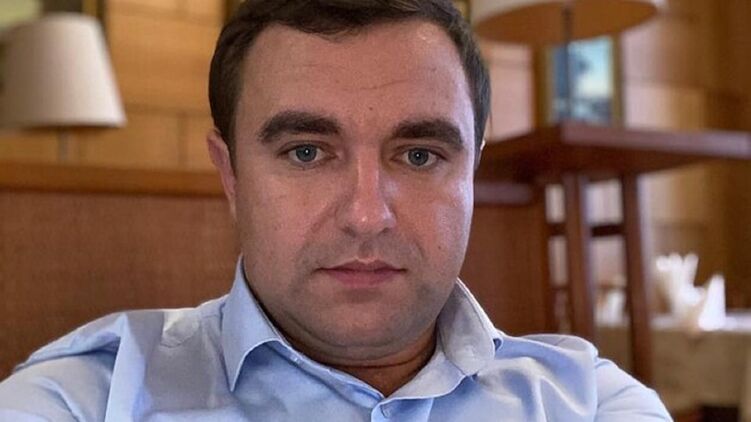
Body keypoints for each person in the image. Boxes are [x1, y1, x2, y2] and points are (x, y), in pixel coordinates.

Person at [0, 0, 671, 420]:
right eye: (305, 153)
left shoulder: (593, 404)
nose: (366, 215)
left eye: (418, 156)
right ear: (231, 175)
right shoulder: (82, 400)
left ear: (470, 168)